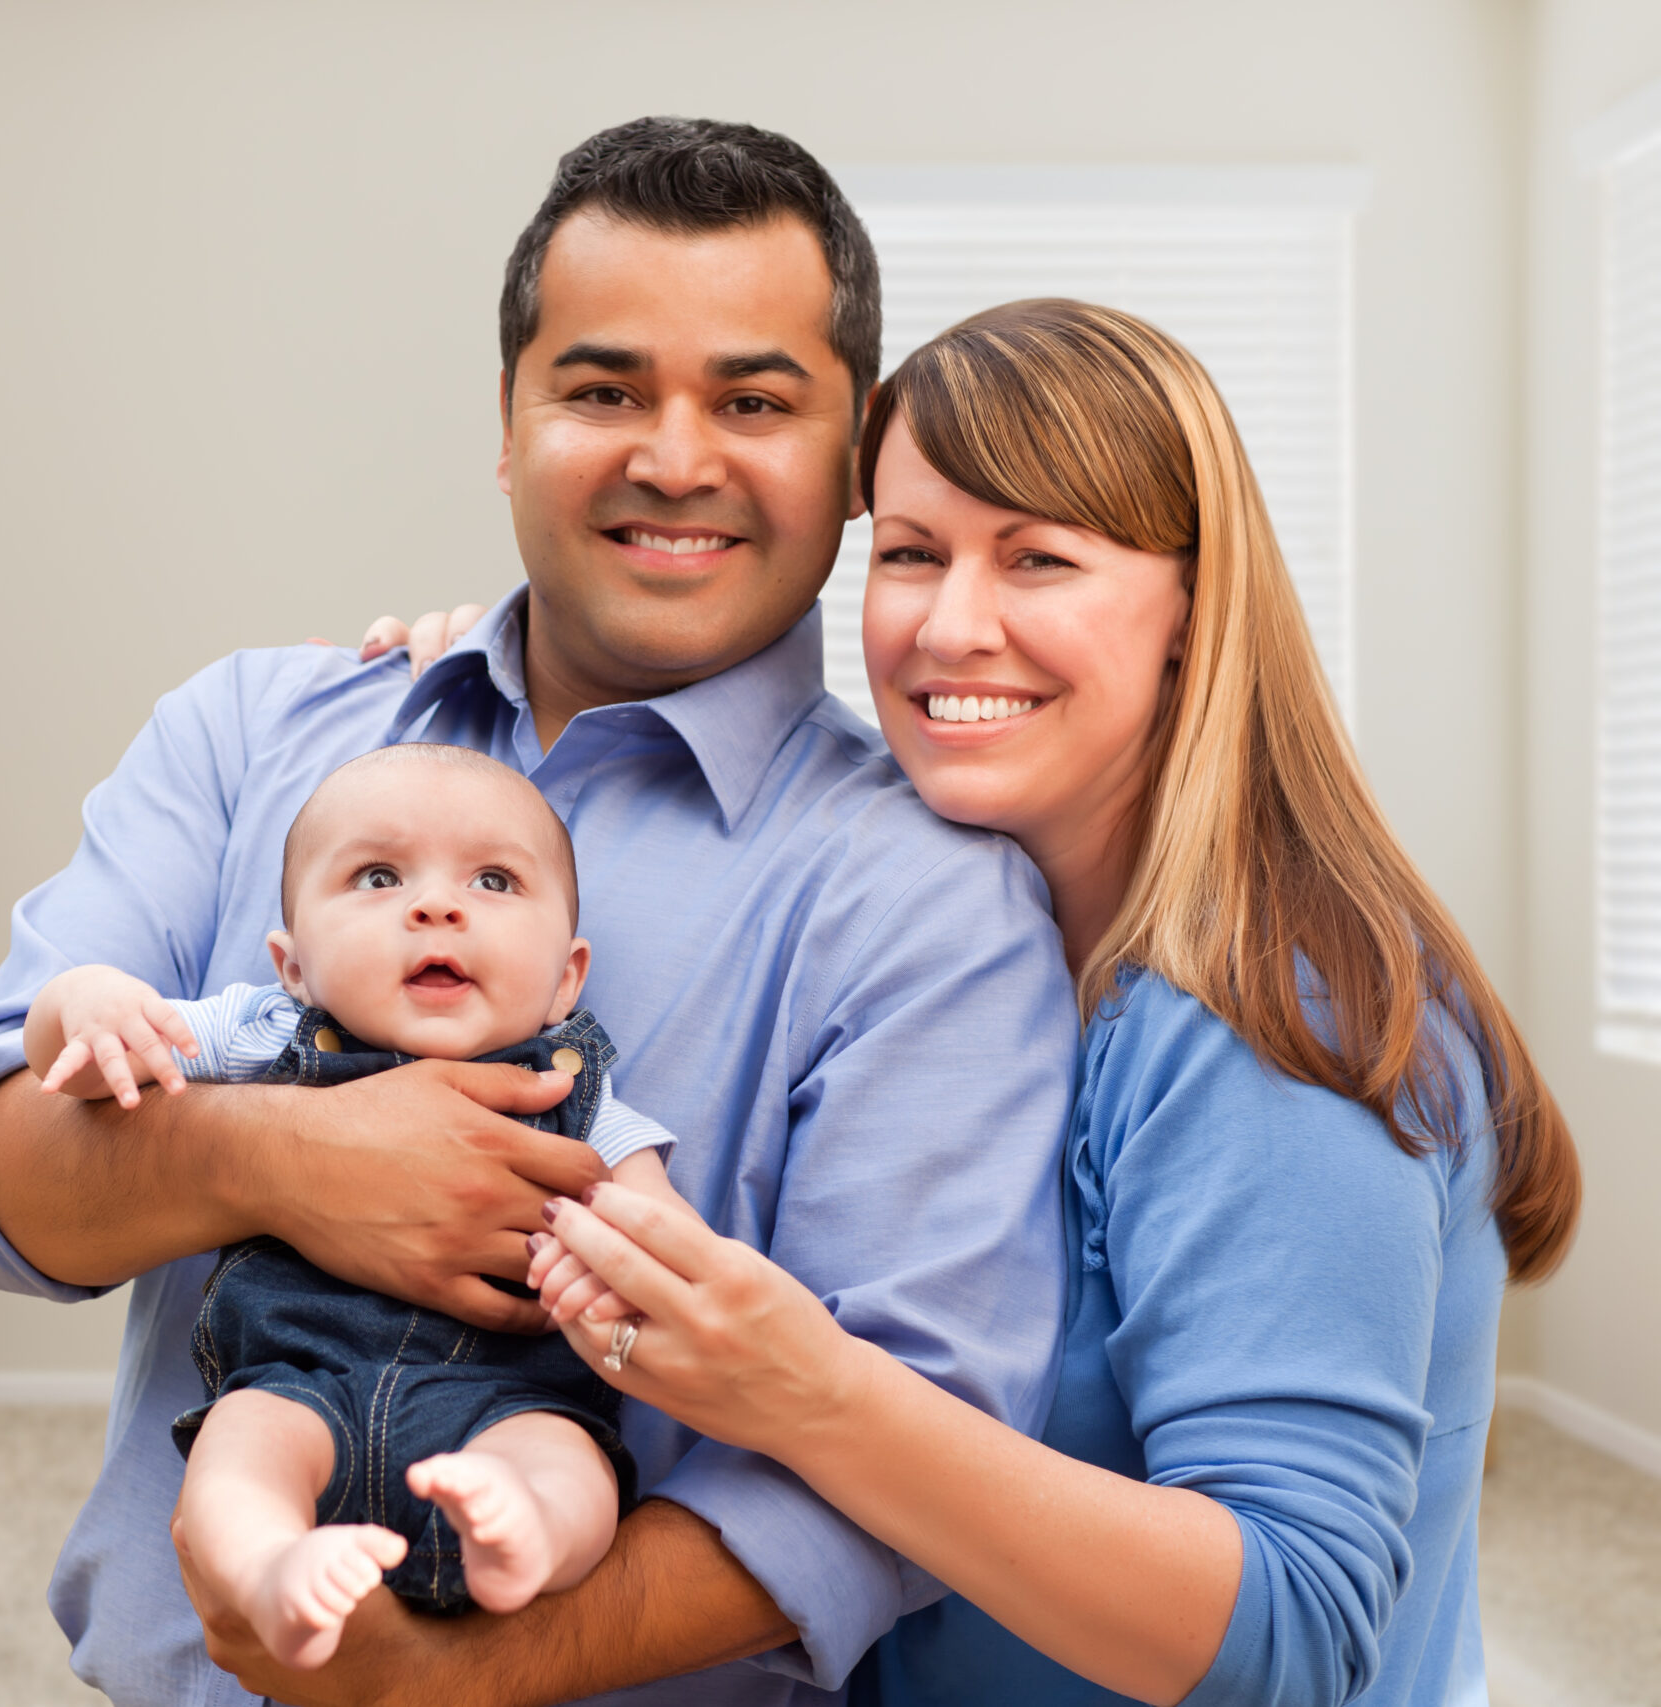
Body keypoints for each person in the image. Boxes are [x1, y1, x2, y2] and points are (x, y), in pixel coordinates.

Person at [0, 118, 1082, 1705]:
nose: (674, 457)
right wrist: (288, 1155)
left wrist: (446, 1674)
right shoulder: (254, 733)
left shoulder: (932, 897)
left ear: (854, 451)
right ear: (509, 425)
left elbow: (906, 1464)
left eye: (753, 399)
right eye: (602, 391)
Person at [498, 299, 1582, 1706]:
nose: (954, 627)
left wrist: (813, 1391)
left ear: (1194, 605)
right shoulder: (978, 943)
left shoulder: (1265, 1017)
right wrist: (514, 669)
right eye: (908, 554)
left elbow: (1299, 1632)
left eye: (1040, 558)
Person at [25, 744, 688, 1669]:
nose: (437, 906)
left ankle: (521, 1535)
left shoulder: (581, 1094)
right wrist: (85, 1003)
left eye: (494, 879)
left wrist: (627, 1272)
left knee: (568, 1466)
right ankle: (268, 1568)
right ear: (291, 964)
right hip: (297, 1383)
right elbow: (84, 1054)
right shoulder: (263, 1031)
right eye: (378, 876)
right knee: (237, 1451)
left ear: (567, 976)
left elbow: (666, 1243)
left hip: (507, 1399)